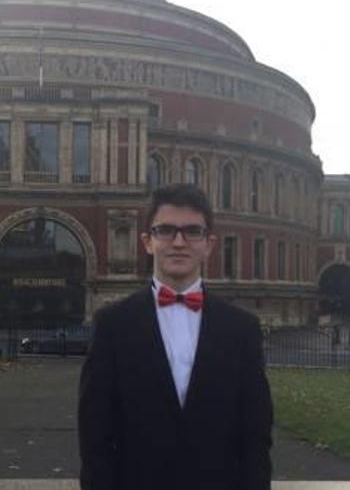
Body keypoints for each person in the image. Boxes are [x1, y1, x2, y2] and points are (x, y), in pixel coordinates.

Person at [78, 184, 272, 490]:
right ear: (147, 242)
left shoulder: (242, 329)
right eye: (166, 230)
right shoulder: (112, 326)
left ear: (209, 244)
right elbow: (95, 437)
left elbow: (256, 436)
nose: (179, 242)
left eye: (192, 231)